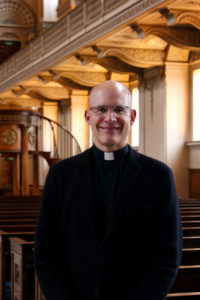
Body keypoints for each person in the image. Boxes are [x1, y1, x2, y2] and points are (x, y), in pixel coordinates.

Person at [34, 80, 182, 300]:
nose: (110, 118)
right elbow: (46, 250)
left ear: (131, 116)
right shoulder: (61, 175)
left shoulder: (159, 176)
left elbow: (168, 254)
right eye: (101, 109)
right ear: (88, 117)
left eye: (119, 110)